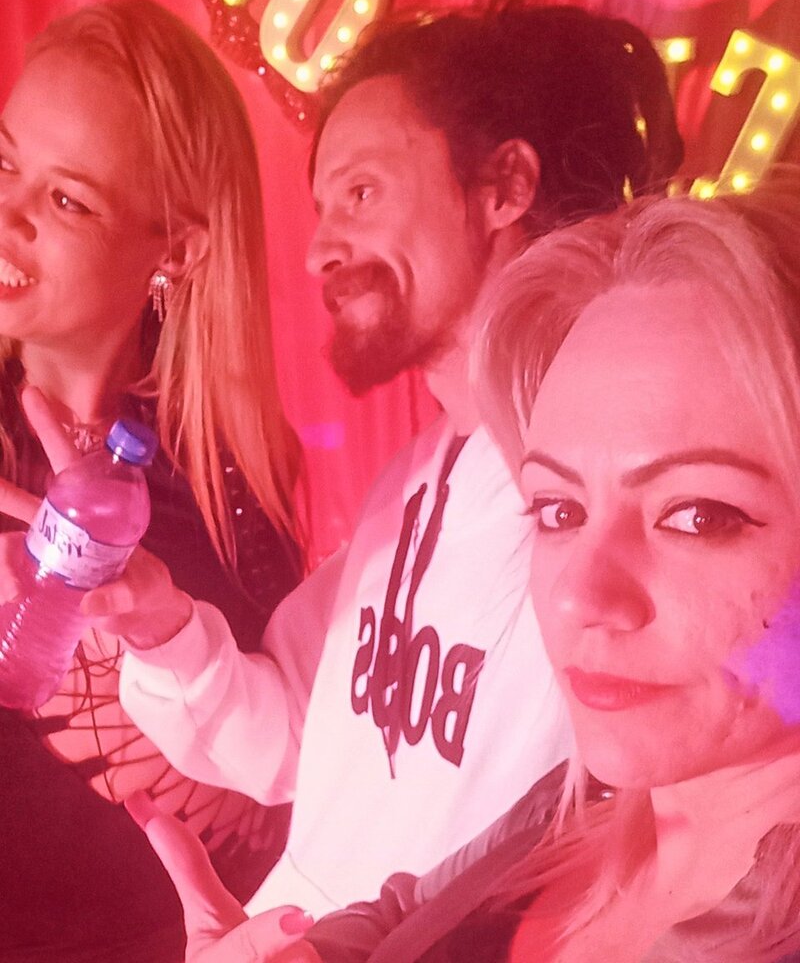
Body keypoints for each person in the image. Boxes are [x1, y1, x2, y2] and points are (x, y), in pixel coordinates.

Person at [128, 170, 800, 963]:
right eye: (559, 511)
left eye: (698, 515)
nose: (578, 596)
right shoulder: (578, 803)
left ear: (501, 185)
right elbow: (408, 908)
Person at [106, 0, 684, 918]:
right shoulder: (413, 480)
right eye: (324, 208)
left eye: (362, 193)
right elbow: (287, 740)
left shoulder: (625, 500)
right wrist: (156, 623)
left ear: (504, 187)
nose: (319, 251)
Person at [0, 0, 302, 963]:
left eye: (68, 200)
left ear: (175, 246)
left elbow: (282, 782)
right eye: (4, 164)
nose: (7, 214)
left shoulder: (232, 471)